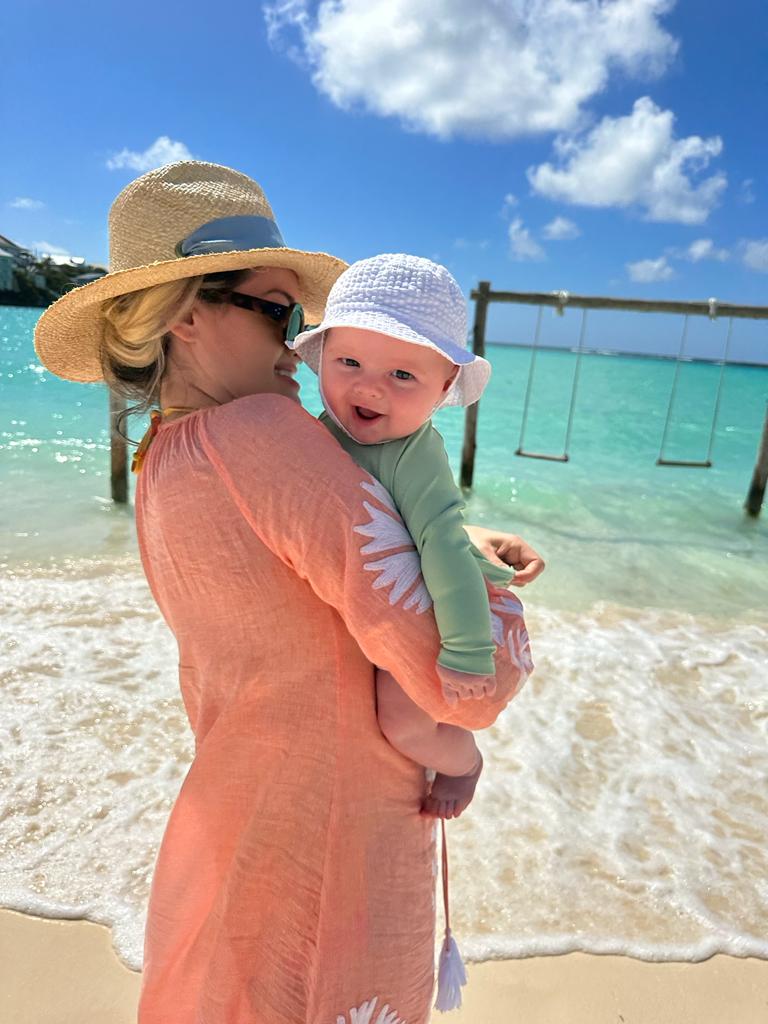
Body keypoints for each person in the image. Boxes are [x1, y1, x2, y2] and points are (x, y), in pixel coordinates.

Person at [34, 160, 545, 1024]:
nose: (297, 346)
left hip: (237, 822)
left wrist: (460, 540)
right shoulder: (266, 436)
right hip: (332, 840)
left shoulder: (164, 460)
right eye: (278, 313)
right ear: (188, 316)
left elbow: (323, 563)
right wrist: (501, 614)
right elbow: (458, 677)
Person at [289, 253, 533, 821]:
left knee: (402, 720)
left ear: (444, 384)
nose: (369, 388)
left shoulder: (415, 454)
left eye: (402, 375)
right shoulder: (319, 431)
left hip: (450, 603)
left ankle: (463, 763)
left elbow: (445, 551)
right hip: (393, 592)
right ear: (321, 356)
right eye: (349, 361)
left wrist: (467, 653)